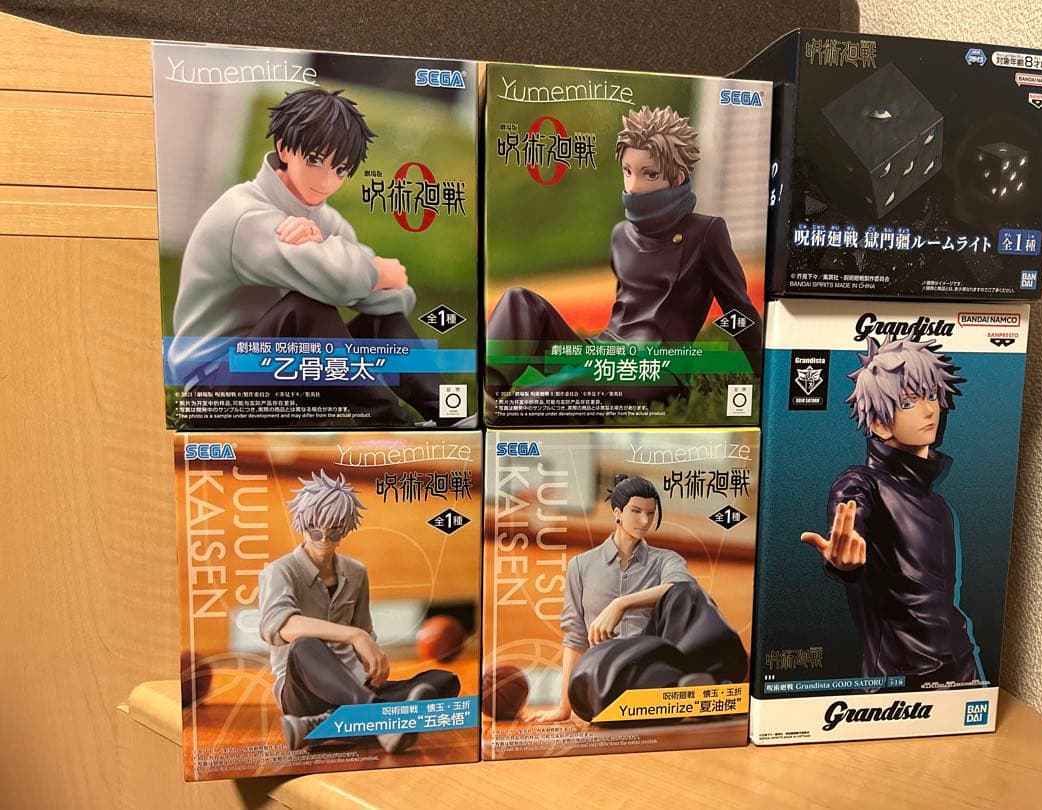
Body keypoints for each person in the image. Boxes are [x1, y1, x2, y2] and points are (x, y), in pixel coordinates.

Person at [169, 86, 455, 427]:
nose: (326, 180)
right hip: (219, 392)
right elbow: (342, 283)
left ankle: (450, 413)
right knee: (305, 307)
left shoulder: (325, 219)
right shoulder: (245, 214)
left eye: (341, 169)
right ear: (284, 148)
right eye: (315, 160)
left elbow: (393, 300)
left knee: (379, 322)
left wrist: (335, 258)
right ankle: (392, 425)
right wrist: (377, 271)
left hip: (285, 373)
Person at [486, 105, 763, 409]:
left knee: (559, 389)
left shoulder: (706, 232)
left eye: (649, 174)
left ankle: (505, 412)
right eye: (627, 171)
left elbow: (739, 307)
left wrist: (766, 374)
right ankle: (487, 393)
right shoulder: (621, 235)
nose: (633, 186)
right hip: (603, 354)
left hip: (655, 368)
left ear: (677, 176)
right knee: (519, 300)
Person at [800, 337, 985, 689]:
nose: (929, 411)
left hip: (963, 671)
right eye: (908, 402)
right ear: (880, 424)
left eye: (931, 396)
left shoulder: (939, 506)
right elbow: (851, 522)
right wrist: (843, 563)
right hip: (900, 680)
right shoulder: (860, 483)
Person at [258, 470, 460, 752]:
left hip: (353, 686)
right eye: (314, 528)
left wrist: (371, 660)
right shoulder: (280, 571)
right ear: (301, 524)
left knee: (444, 682)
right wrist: (354, 635)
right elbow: (282, 627)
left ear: (345, 529)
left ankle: (321, 725)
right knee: (304, 645)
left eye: (334, 529)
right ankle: (377, 719)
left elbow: (365, 630)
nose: (323, 537)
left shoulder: (356, 572)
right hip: (302, 694)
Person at [525, 474, 747, 724]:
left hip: (660, 659)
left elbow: (683, 590)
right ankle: (696, 689)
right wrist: (563, 709)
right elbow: (575, 638)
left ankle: (687, 688)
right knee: (600, 672)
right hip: (606, 674)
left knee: (686, 592)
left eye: (650, 513)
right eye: (636, 511)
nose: (644, 520)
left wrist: (621, 603)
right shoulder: (581, 565)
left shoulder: (666, 560)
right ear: (617, 513)